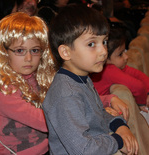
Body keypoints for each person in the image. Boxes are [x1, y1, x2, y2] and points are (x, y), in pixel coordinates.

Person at [42, 4, 138, 154]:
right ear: (66, 52)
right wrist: (118, 141)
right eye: (91, 44)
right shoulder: (66, 94)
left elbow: (98, 114)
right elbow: (83, 149)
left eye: (104, 42)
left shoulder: (82, 79)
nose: (103, 51)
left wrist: (119, 125)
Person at [0, 12, 56, 154]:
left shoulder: (38, 78)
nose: (29, 58)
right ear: (4, 52)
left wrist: (105, 102)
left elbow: (68, 98)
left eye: (35, 50)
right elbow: (45, 123)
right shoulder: (0, 90)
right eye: (20, 50)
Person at [90, 26, 149, 113]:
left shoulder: (116, 66)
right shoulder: (109, 70)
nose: (126, 56)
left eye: (125, 51)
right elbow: (138, 86)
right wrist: (142, 103)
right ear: (105, 58)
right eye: (120, 54)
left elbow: (138, 74)